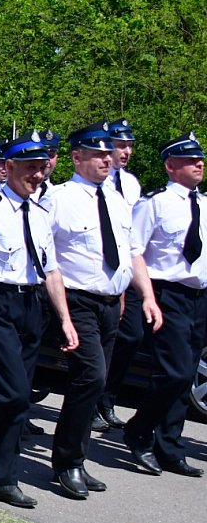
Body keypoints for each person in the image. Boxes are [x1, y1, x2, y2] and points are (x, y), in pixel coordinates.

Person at [0, 130, 79, 508]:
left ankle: (5, 478)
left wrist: (65, 320)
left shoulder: (41, 213)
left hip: (31, 306)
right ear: (8, 168)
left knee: (17, 399)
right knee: (15, 393)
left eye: (42, 168)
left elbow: (51, 272)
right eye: (30, 168)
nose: (38, 175)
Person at [44, 120, 162, 499]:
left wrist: (145, 294)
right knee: (90, 377)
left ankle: (77, 459)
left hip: (113, 303)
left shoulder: (117, 199)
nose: (107, 160)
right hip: (77, 300)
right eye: (98, 154)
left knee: (97, 382)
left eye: (109, 154)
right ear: (76, 157)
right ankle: (65, 461)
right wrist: (60, 312)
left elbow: (131, 252)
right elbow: (47, 257)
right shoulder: (59, 198)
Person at [122, 132, 206, 478]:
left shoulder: (203, 204)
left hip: (199, 297)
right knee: (173, 371)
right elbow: (134, 249)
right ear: (172, 166)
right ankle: (139, 431)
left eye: (200, 159)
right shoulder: (154, 203)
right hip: (166, 293)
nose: (199, 164)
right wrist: (148, 297)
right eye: (190, 160)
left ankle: (169, 445)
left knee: (185, 375)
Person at [95, 118, 145, 431]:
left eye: (128, 145)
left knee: (131, 336)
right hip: (99, 273)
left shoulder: (131, 184)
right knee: (98, 344)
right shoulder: (95, 184)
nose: (124, 151)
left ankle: (107, 398)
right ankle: (90, 403)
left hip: (125, 272)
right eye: (119, 144)